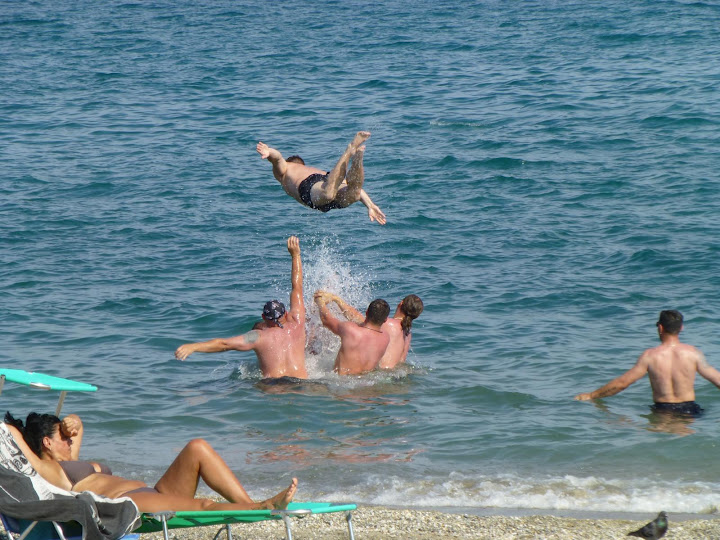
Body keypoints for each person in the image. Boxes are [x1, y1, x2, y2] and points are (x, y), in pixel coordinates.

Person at [3, 412, 297, 512]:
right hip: (128, 503)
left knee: (197, 447)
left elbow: (79, 428)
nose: (69, 441)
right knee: (203, 505)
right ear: (46, 443)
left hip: (153, 492)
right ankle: (263, 507)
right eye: (62, 437)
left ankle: (250, 507)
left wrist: (73, 421)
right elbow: (12, 434)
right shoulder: (49, 471)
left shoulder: (70, 462)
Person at [175, 236, 308, 380]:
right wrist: (295, 255)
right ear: (286, 313)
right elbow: (297, 287)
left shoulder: (258, 337)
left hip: (273, 386)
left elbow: (224, 344)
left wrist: (193, 347)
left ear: (263, 317)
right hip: (300, 384)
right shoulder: (297, 322)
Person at [574, 310, 720, 415]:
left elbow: (622, 383)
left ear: (660, 327)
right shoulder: (693, 353)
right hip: (691, 410)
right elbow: (717, 380)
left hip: (663, 411)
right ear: (681, 328)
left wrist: (592, 396)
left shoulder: (650, 356)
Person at [256, 131, 386, 225]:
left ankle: (349, 151)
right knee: (355, 193)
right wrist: (370, 205)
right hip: (326, 178)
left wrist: (269, 152)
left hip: (312, 188)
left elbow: (277, 158)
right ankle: (357, 159)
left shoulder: (286, 169)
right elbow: (358, 190)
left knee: (328, 194)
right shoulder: (309, 169)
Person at [315, 292, 423, 370]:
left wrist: (336, 299)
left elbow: (361, 320)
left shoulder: (389, 325)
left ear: (400, 303)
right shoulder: (407, 333)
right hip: (393, 376)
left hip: (382, 374)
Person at [314, 291, 390, 375]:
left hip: (340, 381)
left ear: (366, 312)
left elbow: (326, 320)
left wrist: (320, 302)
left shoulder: (349, 329)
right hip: (366, 381)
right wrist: (336, 299)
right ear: (385, 320)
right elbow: (360, 320)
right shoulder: (385, 337)